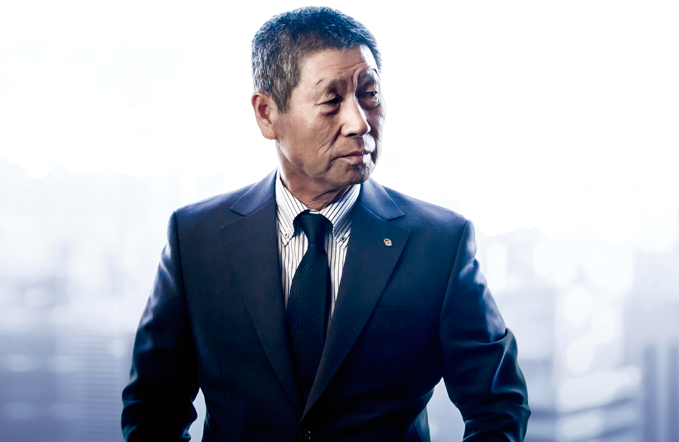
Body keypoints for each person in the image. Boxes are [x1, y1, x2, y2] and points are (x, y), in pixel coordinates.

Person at [121, 6, 529, 442]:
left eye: (369, 94)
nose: (359, 122)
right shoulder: (196, 241)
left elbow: (497, 407)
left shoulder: (439, 244)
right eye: (332, 101)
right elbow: (152, 410)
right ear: (266, 113)